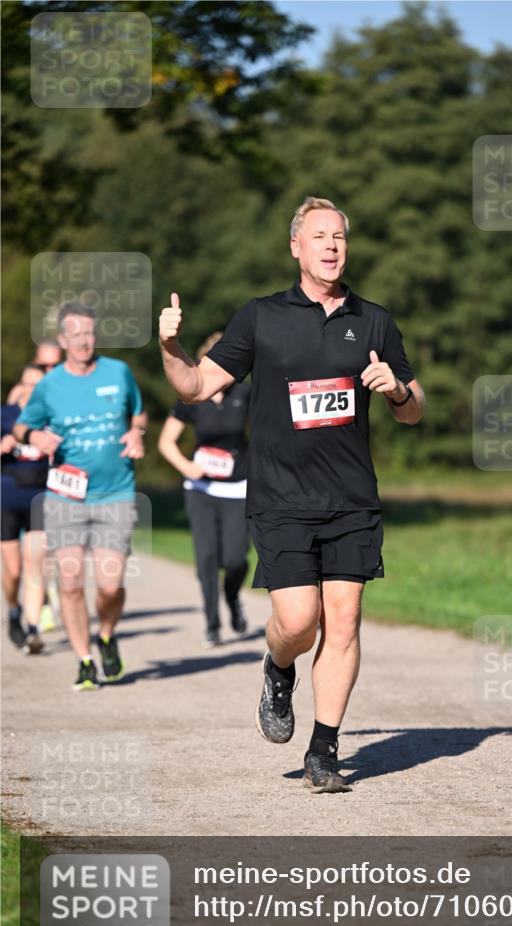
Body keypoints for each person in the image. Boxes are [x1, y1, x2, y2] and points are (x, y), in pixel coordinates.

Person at [159, 196, 424, 793]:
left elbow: (414, 406)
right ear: (296, 247)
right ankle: (279, 667)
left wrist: (399, 392)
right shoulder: (261, 317)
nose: (332, 246)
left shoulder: (374, 319)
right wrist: (172, 350)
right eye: (320, 236)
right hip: (280, 495)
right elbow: (198, 385)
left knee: (346, 620)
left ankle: (324, 750)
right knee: (298, 621)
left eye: (340, 237)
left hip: (352, 497)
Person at [13, 303, 147, 691]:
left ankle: (106, 634)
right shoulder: (50, 385)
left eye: (90, 333)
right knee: (70, 583)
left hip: (115, 493)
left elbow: (138, 415)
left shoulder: (117, 373)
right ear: (63, 339)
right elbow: (23, 425)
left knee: (109, 585)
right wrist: (35, 436)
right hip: (66, 496)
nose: (85, 341)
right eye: (76, 335)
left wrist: (137, 433)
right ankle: (84, 659)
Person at [158, 332, 251, 647]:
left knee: (236, 559)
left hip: (238, 486)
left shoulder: (245, 392)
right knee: (207, 557)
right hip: (201, 489)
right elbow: (166, 442)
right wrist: (187, 467)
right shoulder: (191, 395)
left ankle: (233, 597)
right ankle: (212, 623)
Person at [1, 364, 49, 653]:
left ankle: (33, 629)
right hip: (6, 498)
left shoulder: (50, 418)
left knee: (36, 565)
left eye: (38, 385)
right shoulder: (5, 416)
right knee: (14, 570)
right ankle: (13, 610)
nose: (32, 390)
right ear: (20, 385)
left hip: (40, 498)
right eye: (28, 383)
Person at [5, 340, 62, 405]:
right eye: (43, 366)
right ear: (35, 362)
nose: (50, 370)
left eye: (55, 366)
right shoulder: (21, 391)